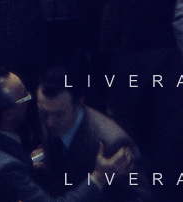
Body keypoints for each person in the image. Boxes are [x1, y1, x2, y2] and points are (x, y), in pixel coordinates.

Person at [0, 71, 131, 202]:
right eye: (24, 96)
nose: (49, 123)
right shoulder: (7, 167)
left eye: (59, 114)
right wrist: (99, 177)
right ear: (7, 114)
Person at [34, 65, 144, 201]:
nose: (49, 123)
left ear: (79, 103)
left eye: (59, 114)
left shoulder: (112, 143)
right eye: (44, 112)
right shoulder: (48, 117)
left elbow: (140, 197)